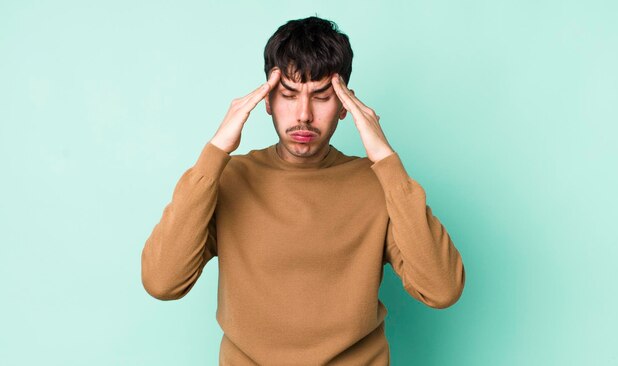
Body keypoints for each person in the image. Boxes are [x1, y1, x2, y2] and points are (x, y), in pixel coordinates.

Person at [141, 15, 465, 366]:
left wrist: (385, 159)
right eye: (288, 95)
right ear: (266, 100)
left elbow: (441, 288)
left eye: (322, 97)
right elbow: (163, 281)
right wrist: (216, 150)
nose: (304, 114)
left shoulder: (378, 185)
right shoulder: (230, 178)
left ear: (345, 105)